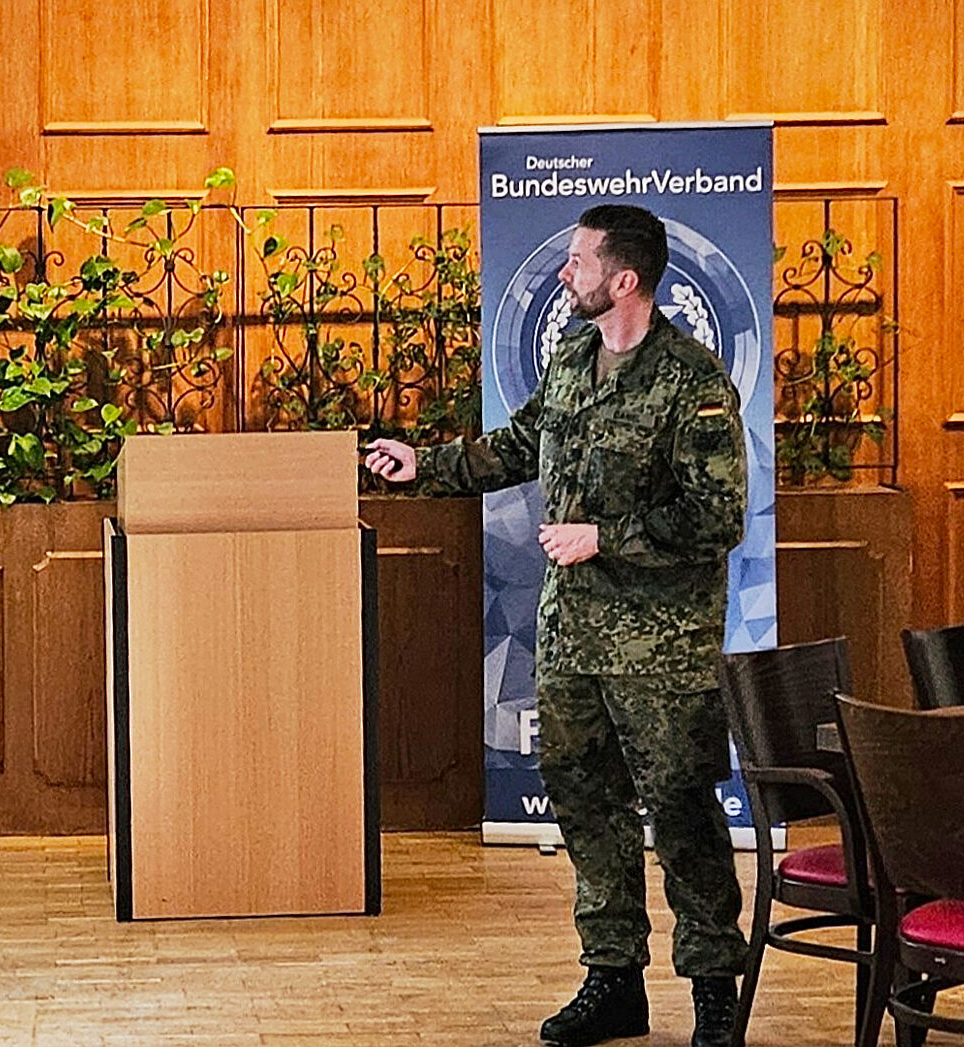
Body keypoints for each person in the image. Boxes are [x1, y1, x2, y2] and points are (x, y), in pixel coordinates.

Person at [365, 204, 748, 1047]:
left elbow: (719, 516)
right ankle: (613, 977)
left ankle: (715, 988)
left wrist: (606, 537)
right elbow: (520, 445)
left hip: (662, 647)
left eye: (578, 262)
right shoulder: (573, 356)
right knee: (587, 803)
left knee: (682, 810)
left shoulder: (695, 384)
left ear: (625, 280)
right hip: (572, 636)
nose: (563, 275)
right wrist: (422, 464)